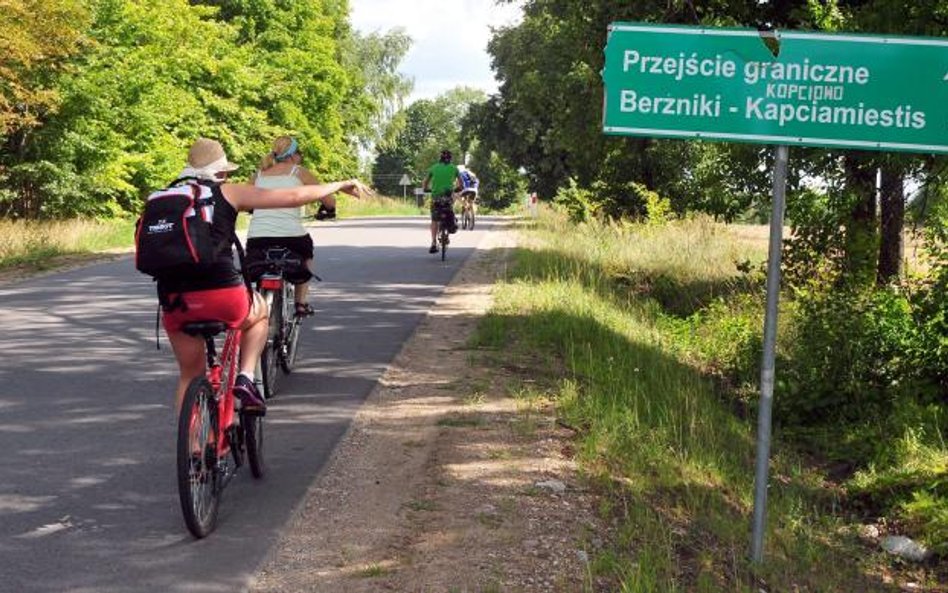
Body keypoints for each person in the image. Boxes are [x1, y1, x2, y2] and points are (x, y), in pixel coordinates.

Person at [157, 138, 369, 415]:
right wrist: (340, 185)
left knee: (189, 374)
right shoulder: (229, 192)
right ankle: (246, 377)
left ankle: (196, 449)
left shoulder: (162, 196)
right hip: (222, 296)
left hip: (174, 301)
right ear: (221, 172)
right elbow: (294, 197)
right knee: (259, 313)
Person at [245, 136, 326, 317]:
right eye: (300, 153)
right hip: (293, 237)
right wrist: (329, 209)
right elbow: (327, 197)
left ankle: (256, 306)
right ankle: (301, 303)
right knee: (306, 253)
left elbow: (244, 200)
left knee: (256, 266)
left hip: (258, 237)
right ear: (293, 156)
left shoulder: (257, 175)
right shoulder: (299, 172)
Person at [422, 149, 462, 253]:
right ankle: (449, 228)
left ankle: (434, 242)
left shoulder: (433, 168)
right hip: (448, 197)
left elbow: (425, 182)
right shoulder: (454, 168)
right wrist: (458, 189)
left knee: (434, 220)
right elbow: (461, 184)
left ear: (440, 158)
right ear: (450, 158)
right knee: (449, 210)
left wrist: (426, 189)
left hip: (436, 197)